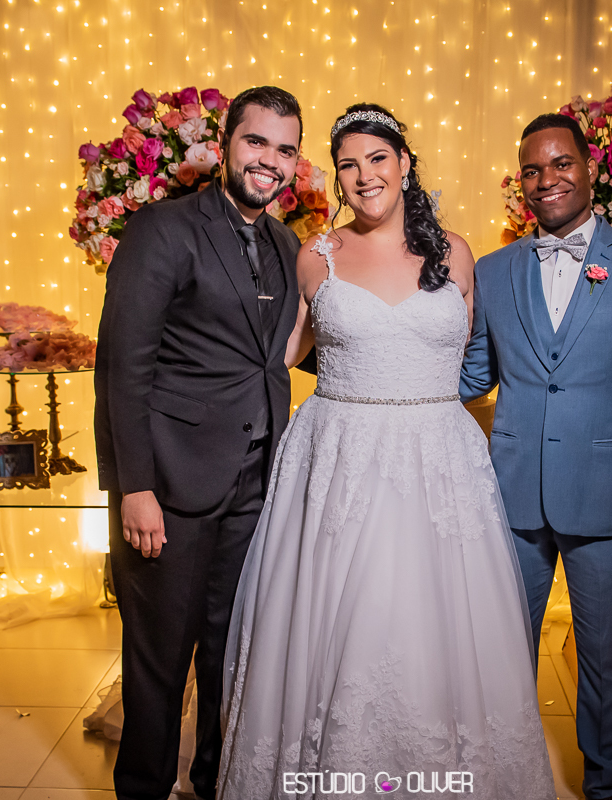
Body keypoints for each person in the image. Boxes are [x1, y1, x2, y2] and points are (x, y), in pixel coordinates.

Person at [217, 104, 556, 799]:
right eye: (347, 164)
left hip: (439, 461)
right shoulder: (315, 255)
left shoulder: (456, 253)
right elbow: (274, 358)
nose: (364, 175)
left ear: (404, 164)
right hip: (341, 459)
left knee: (437, 630)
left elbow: (472, 356)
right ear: (335, 178)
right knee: (340, 627)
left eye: (377, 158)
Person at [459, 112, 612, 800]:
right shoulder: (494, 271)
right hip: (512, 496)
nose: (547, 179)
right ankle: (506, 773)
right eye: (532, 170)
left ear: (589, 170)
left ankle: (602, 780)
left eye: (561, 164)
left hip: (607, 494)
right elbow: (475, 375)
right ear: (520, 184)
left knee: (604, 657)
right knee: (503, 650)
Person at [93, 85, 304, 800]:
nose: (270, 160)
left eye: (285, 150)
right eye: (256, 141)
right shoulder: (163, 229)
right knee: (158, 663)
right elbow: (123, 367)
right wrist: (134, 487)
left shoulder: (285, 244)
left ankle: (216, 783)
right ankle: (144, 788)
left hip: (254, 484)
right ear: (223, 145)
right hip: (171, 486)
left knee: (230, 654)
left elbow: (275, 355)